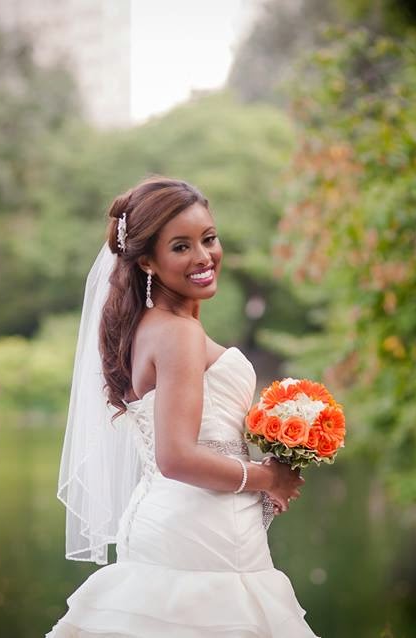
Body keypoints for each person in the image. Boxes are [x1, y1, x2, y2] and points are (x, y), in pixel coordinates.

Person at [47, 176, 319, 637]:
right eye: (181, 247)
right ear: (148, 261)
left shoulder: (150, 327)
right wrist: (267, 477)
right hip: (201, 536)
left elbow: (202, 438)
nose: (203, 256)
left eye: (208, 239)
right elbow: (174, 457)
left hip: (177, 523)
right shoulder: (177, 333)